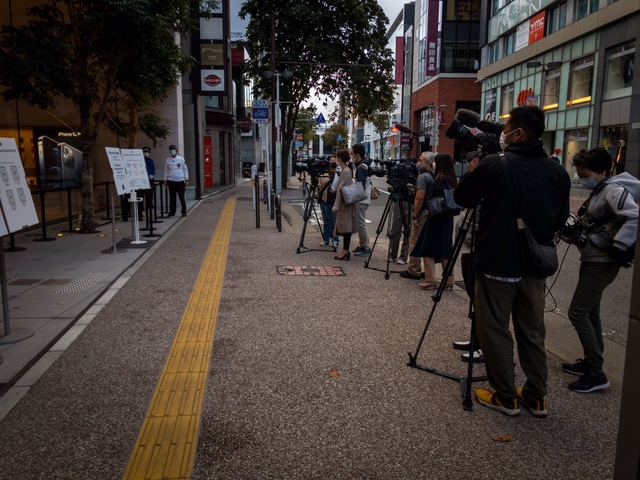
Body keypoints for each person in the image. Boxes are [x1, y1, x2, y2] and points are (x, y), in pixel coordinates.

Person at [454, 105, 571, 417]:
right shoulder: (557, 171)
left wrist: (477, 165)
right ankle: (536, 397)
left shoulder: (494, 164)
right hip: (536, 264)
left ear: (518, 133)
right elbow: (559, 220)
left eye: (506, 129)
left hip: (498, 263)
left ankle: (505, 395)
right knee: (533, 331)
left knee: (494, 328)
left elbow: (463, 197)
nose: (502, 134)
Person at [562, 148, 639, 393]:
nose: (582, 178)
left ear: (603, 171)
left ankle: (595, 371)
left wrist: (620, 245)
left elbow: (634, 216)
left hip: (602, 262)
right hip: (593, 258)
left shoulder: (614, 189)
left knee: (578, 312)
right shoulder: (603, 189)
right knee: (590, 312)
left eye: (585, 174)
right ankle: (591, 362)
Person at [453, 151, 484, 363]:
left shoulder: (484, 185)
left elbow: (477, 220)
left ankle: (483, 346)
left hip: (475, 248)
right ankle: (475, 339)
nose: (469, 165)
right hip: (468, 248)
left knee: (481, 300)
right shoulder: (475, 184)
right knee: (474, 297)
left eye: (472, 162)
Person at [411, 153, 458, 291]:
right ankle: (449, 280)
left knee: (428, 247)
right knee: (445, 248)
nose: (433, 165)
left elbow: (429, 196)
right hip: (447, 217)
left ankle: (431, 279)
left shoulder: (440, 179)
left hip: (436, 216)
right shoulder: (452, 178)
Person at [399, 152, 435, 279]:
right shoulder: (434, 175)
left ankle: (413, 269)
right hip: (432, 211)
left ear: (428, 163)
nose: (418, 163)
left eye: (420, 160)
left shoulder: (423, 177)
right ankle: (429, 272)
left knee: (413, 240)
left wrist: (415, 216)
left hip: (423, 212)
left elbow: (419, 198)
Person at [332, 149, 358, 260]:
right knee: (345, 227)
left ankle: (345, 250)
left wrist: (335, 205)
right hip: (346, 204)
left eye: (337, 158)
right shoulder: (345, 170)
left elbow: (341, 189)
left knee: (346, 227)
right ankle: (345, 250)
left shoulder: (346, 171)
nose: (336, 160)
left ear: (340, 159)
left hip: (345, 204)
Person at [351, 144, 372, 256]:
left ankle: (366, 247)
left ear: (357, 155)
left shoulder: (361, 168)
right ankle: (362, 244)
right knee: (360, 222)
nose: (352, 155)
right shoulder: (364, 165)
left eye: (352, 153)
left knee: (361, 223)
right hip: (364, 199)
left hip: (361, 199)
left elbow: (361, 185)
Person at [318, 157, 340, 247]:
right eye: (331, 161)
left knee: (334, 221)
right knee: (326, 221)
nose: (333, 163)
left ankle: (335, 239)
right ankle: (326, 239)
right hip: (324, 200)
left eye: (335, 161)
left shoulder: (339, 174)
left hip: (335, 201)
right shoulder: (324, 174)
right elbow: (320, 185)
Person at [164, 144, 189, 217]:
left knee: (181, 196)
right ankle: (172, 212)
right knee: (172, 198)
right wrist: (165, 180)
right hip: (171, 181)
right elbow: (166, 171)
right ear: (169, 151)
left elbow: (185, 169)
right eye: (171, 150)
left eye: (174, 150)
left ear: (176, 151)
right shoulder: (167, 160)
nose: (173, 151)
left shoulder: (181, 159)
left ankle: (183, 211)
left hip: (180, 181)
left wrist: (186, 179)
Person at [141, 146, 156, 218]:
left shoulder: (150, 161)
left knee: (149, 197)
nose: (146, 153)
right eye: (145, 152)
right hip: (141, 181)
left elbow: (153, 169)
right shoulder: (139, 160)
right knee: (140, 197)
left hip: (149, 180)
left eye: (147, 152)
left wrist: (152, 175)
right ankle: (140, 213)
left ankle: (149, 213)